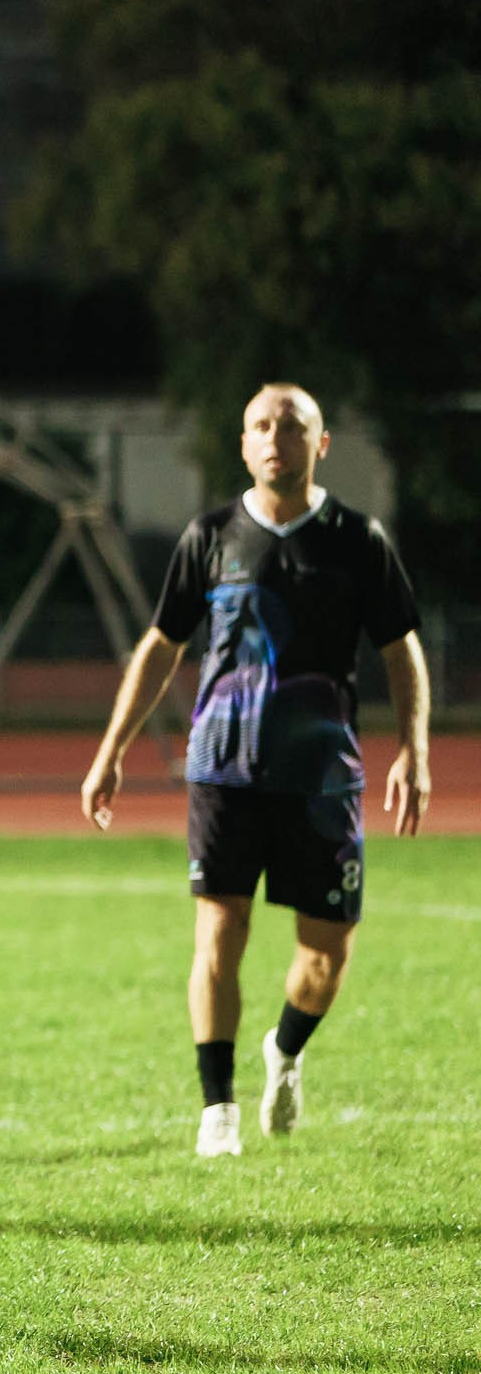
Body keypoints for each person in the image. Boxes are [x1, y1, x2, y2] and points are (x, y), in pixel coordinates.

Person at [83, 383, 429, 1157]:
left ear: (322, 443)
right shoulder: (210, 535)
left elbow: (401, 646)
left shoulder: (357, 538)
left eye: (293, 425)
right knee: (219, 929)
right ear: (243, 444)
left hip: (321, 779)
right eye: (261, 426)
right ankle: (219, 1110)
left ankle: (287, 1048)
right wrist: (111, 751)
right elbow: (161, 646)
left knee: (327, 954)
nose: (276, 438)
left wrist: (415, 747)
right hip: (223, 770)